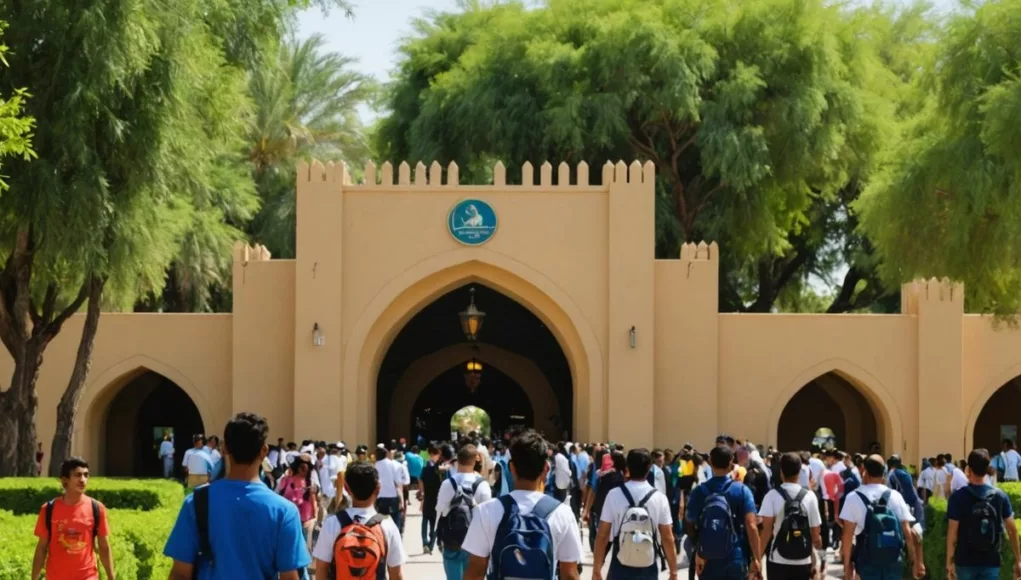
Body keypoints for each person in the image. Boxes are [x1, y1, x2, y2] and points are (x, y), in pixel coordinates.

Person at [164, 412, 311, 579]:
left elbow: (180, 574)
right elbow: (289, 576)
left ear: (224, 448)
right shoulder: (284, 511)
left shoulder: (196, 502)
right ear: (264, 451)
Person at [462, 429, 583, 580]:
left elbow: (475, 571)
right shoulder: (562, 513)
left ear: (511, 468)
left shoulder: (486, 511)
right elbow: (570, 574)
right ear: (546, 468)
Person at [312, 460, 407, 580]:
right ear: (378, 488)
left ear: (346, 488)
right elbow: (396, 574)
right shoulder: (387, 526)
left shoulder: (332, 523)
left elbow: (321, 570)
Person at [593, 448, 678, 580]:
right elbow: (668, 537)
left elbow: (602, 535)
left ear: (627, 468)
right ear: (649, 468)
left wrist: (596, 569)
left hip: (620, 564)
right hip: (648, 564)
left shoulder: (614, 494)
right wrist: (673, 572)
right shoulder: (660, 498)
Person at [839, 454, 924, 580]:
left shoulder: (853, 498)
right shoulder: (895, 496)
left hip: (867, 562)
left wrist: (847, 567)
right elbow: (907, 531)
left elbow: (847, 536)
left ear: (864, 472)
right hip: (893, 560)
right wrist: (914, 561)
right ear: (883, 473)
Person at [31, 457, 114, 580]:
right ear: (65, 481)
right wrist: (34, 578)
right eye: (77, 475)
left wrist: (111, 577)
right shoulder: (48, 509)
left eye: (86, 475)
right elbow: (41, 548)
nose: (83, 480)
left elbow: (104, 547)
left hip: (87, 576)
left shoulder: (96, 508)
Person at [685, 445, 761, 580]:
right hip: (736, 555)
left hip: (707, 557)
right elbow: (751, 525)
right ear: (731, 462)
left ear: (710, 461)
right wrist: (757, 558)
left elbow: (689, 523)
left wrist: (699, 548)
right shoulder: (742, 490)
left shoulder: (699, 492)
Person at [946, 448, 1021, 580]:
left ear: (968, 468)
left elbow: (953, 532)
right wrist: (1018, 560)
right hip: (990, 560)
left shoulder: (957, 497)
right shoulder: (1000, 496)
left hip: (965, 561)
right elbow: (1012, 530)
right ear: (988, 469)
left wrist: (949, 562)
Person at [758, 452, 822, 580]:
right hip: (803, 559)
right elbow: (815, 533)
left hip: (777, 558)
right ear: (799, 472)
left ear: (781, 472)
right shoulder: (810, 497)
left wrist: (757, 557)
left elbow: (766, 532)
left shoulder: (771, 496)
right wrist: (817, 548)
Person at [437, 443, 492, 580]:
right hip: (476, 544)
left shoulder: (448, 484)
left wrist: (439, 537)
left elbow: (440, 511)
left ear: (458, 461)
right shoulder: (483, 485)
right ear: (475, 461)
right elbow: (487, 516)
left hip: (452, 540)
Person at [278, 454, 319, 553]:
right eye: (301, 466)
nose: (304, 468)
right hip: (288, 520)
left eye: (306, 466)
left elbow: (314, 501)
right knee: (288, 548)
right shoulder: (285, 480)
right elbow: (280, 498)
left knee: (301, 549)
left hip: (304, 522)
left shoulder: (310, 482)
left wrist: (314, 519)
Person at [374, 446, 405, 534]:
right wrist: (402, 501)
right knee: (395, 522)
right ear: (386, 454)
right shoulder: (394, 464)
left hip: (380, 498)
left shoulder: (375, 465)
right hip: (392, 497)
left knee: (381, 523)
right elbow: (398, 483)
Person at [419, 444, 443, 555]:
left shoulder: (425, 469)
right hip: (437, 499)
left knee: (425, 521)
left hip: (428, 498)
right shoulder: (441, 471)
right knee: (434, 523)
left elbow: (422, 483)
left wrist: (422, 496)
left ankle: (425, 543)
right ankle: (431, 545)